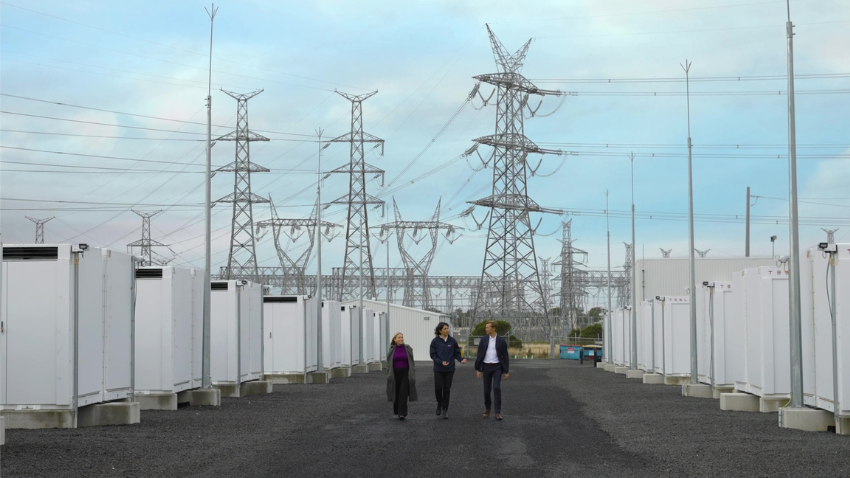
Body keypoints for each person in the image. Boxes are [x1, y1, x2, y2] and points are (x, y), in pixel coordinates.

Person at [429, 322, 467, 419]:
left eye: (448, 328)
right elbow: (433, 355)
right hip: (438, 368)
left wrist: (461, 359)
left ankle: (445, 409)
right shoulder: (435, 341)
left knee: (447, 389)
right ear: (440, 330)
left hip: (450, 369)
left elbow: (456, 353)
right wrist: (440, 362)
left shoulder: (452, 341)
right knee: (438, 388)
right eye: (445, 328)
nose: (447, 330)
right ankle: (439, 403)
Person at [474, 320, 509, 420]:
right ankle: (488, 408)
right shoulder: (484, 340)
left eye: (488, 327)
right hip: (486, 367)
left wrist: (506, 371)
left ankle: (497, 412)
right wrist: (479, 369)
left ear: (494, 328)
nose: (486, 329)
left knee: (496, 388)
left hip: (497, 367)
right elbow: (479, 354)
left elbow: (505, 356)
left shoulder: (501, 341)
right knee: (486, 391)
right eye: (486, 327)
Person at [386, 332, 417, 420]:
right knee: (396, 392)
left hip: (405, 372)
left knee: (403, 392)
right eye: (399, 337)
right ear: (395, 340)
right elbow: (389, 362)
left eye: (402, 337)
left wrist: (412, 372)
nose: (401, 339)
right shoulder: (392, 349)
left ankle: (402, 413)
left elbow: (411, 361)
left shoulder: (407, 348)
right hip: (395, 373)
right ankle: (397, 409)